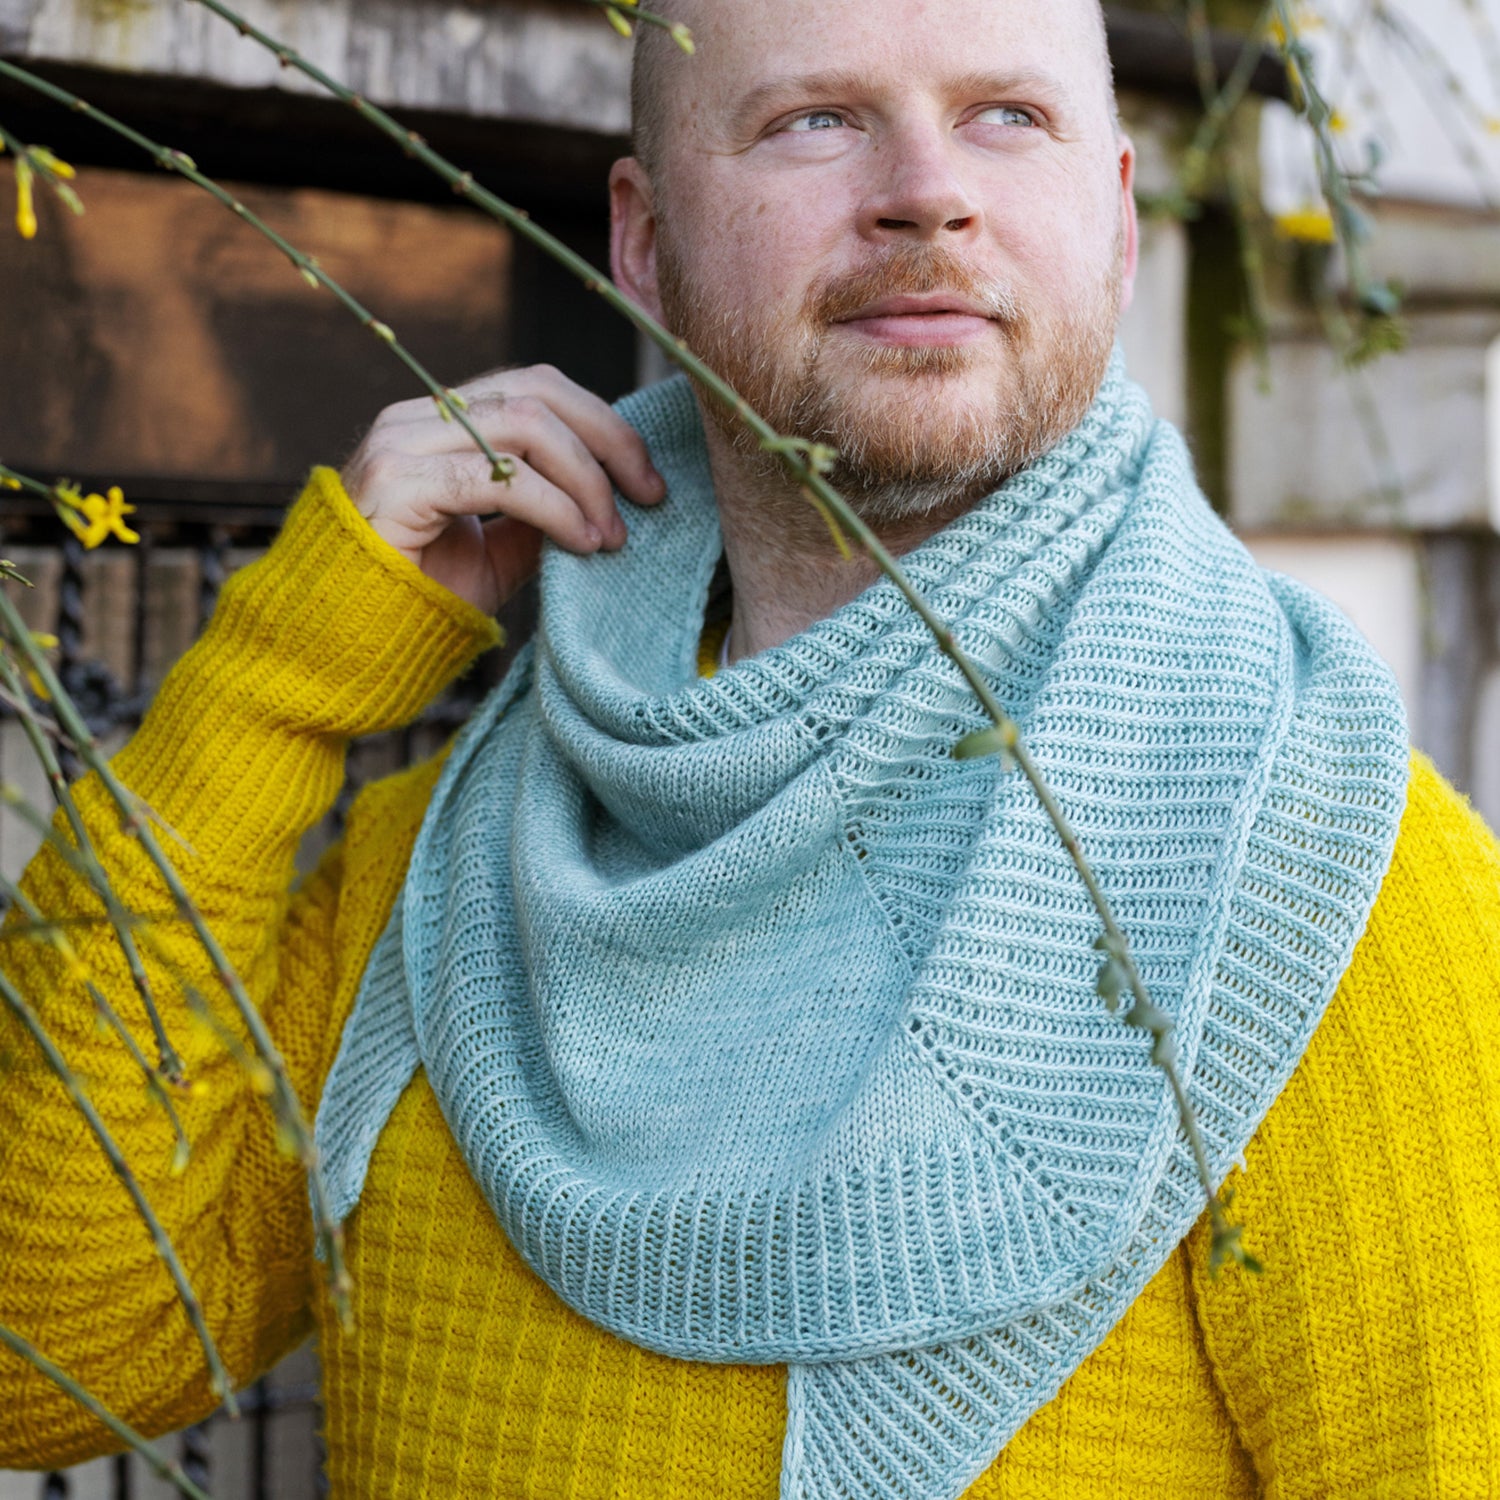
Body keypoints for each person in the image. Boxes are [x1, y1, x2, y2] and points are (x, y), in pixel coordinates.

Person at [3, 0, 1499, 1494]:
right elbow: (48, 1360)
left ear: (1114, 217)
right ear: (645, 239)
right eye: (815, 121)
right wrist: (279, 678)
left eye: (1008, 116)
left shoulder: (1324, 886)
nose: (928, 191)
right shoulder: (449, 874)